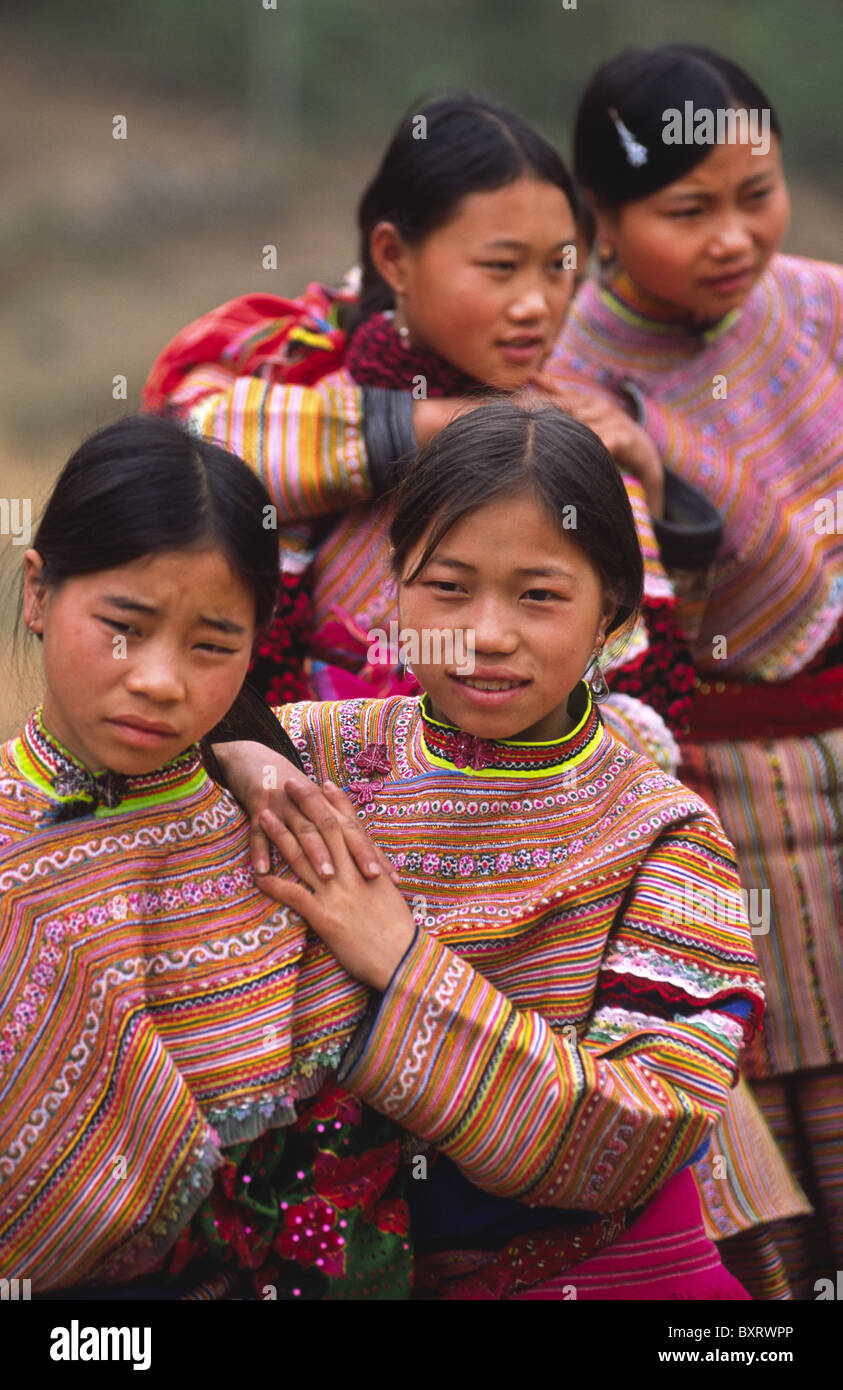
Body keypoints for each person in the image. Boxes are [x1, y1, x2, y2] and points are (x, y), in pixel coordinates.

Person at [214, 400, 765, 1299]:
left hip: (598, 1271)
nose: (487, 632)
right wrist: (233, 752)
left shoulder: (661, 833)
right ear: (394, 591)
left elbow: (639, 1130)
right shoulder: (312, 752)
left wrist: (397, 960)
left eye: (539, 595)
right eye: (447, 586)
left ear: (612, 615)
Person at [143, 95, 704, 763]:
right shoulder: (294, 405)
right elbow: (179, 458)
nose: (535, 304)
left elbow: (636, 693)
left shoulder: (575, 441)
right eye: (500, 267)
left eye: (560, 268)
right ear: (393, 257)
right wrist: (458, 423)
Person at [544, 43, 841, 1299]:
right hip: (714, 796)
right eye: (688, 209)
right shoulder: (558, 374)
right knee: (767, 1106)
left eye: (757, 191)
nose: (736, 236)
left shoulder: (824, 309)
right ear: (599, 218)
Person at [0, 413, 411, 1299]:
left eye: (212, 645)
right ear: (39, 594)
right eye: (124, 626)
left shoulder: (284, 828)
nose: (159, 679)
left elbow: (350, 1141)